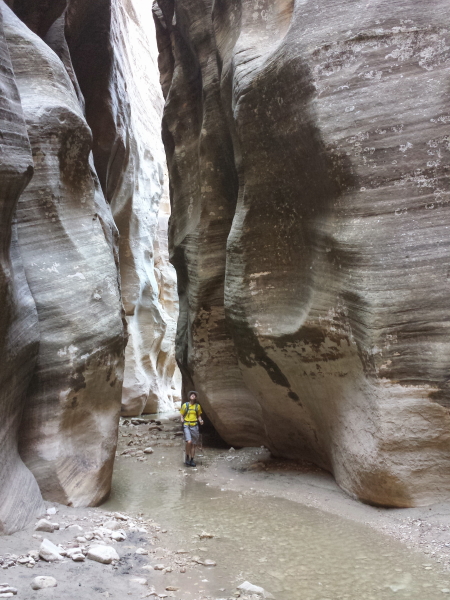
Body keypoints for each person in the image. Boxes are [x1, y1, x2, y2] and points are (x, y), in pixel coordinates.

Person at [180, 391, 204, 466]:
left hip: (195, 425)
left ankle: (192, 460)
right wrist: (181, 418)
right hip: (187, 425)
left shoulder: (197, 406)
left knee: (193, 444)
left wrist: (200, 420)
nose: (193, 396)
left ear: (196, 397)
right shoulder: (185, 405)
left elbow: (199, 416)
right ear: (189, 396)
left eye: (194, 395)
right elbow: (182, 414)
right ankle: (187, 457)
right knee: (189, 442)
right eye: (191, 395)